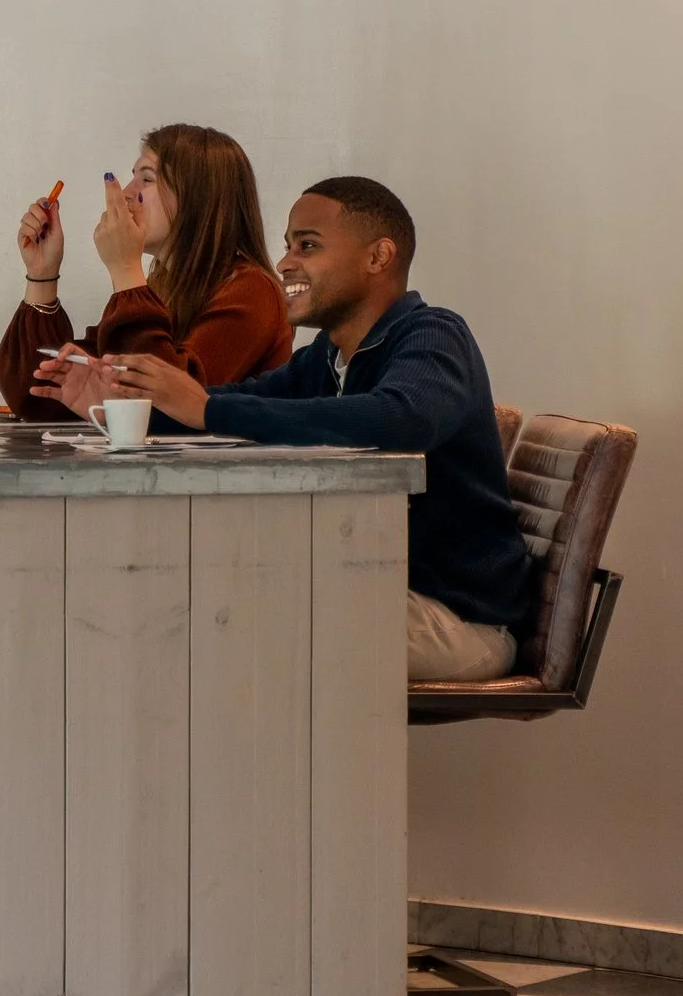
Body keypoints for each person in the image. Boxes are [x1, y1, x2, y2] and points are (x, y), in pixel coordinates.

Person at [46, 176, 535, 682]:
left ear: (378, 256)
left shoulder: (434, 334)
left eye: (308, 245)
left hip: (461, 621)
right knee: (207, 605)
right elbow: (235, 403)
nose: (283, 262)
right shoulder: (325, 358)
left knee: (235, 626)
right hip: (377, 589)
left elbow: (400, 419)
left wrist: (206, 409)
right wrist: (118, 406)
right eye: (288, 245)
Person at [0, 123, 295, 420]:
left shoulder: (253, 290)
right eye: (132, 177)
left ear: (199, 197)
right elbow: (39, 396)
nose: (127, 193)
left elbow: (171, 404)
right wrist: (43, 274)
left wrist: (126, 270)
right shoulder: (161, 289)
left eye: (147, 179)